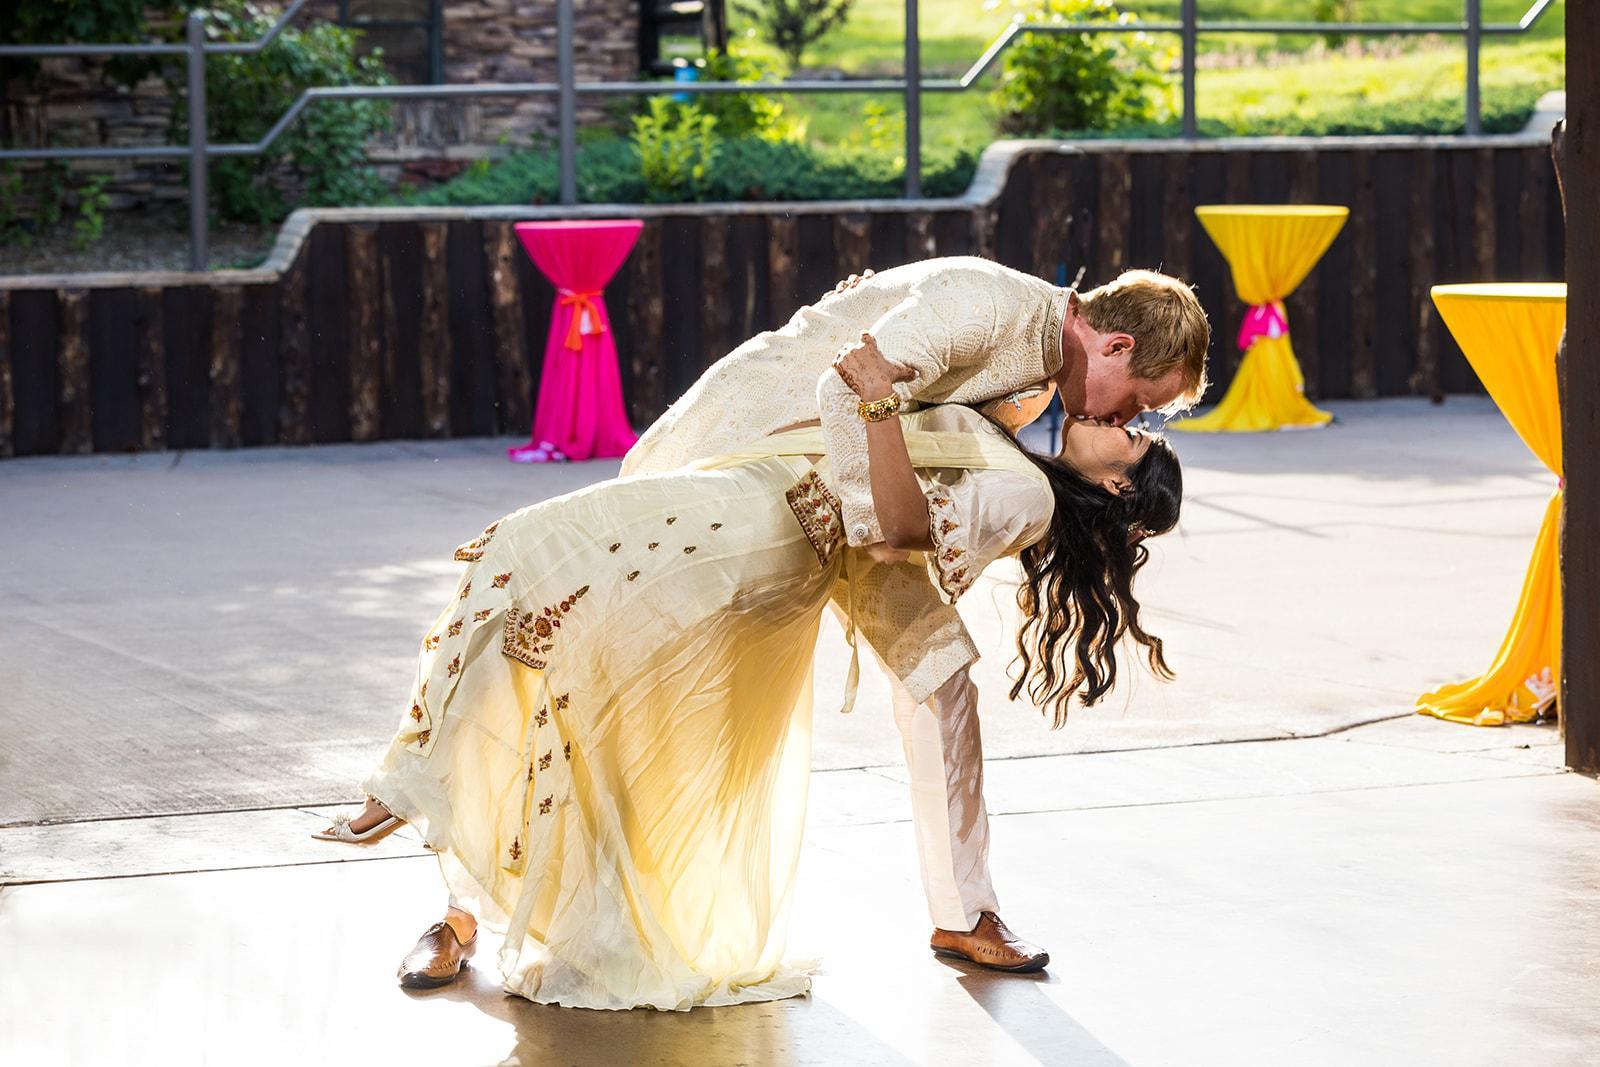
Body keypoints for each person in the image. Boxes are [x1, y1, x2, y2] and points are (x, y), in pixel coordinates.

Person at [315, 332, 1184, 1009]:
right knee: (563, 654)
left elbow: (897, 526)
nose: (1129, 421)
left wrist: (879, 400)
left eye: (1137, 438)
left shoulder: (1028, 496)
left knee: (525, 555)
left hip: (763, 530)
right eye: (1140, 413)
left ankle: (408, 784)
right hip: (755, 496)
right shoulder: (1019, 427)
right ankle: (458, 889)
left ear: (1121, 491)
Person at [621, 257, 1210, 970]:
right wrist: (882, 528)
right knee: (648, 665)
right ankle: (550, 896)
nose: (1126, 419)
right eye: (1140, 403)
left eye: (1137, 421)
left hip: (845, 492)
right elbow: (841, 390)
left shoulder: (1040, 378)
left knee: (941, 675)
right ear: (1116, 345)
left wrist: (883, 527)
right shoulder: (985, 304)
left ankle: (965, 914)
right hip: (741, 448)